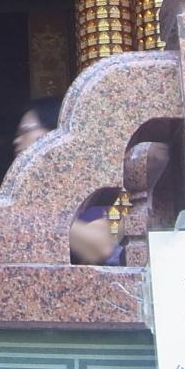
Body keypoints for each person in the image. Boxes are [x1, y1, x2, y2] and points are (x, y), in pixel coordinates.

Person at [13, 97, 121, 266]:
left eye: (25, 131)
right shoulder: (33, 192)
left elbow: (100, 247)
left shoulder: (99, 189)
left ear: (56, 133)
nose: (17, 141)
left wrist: (34, 214)